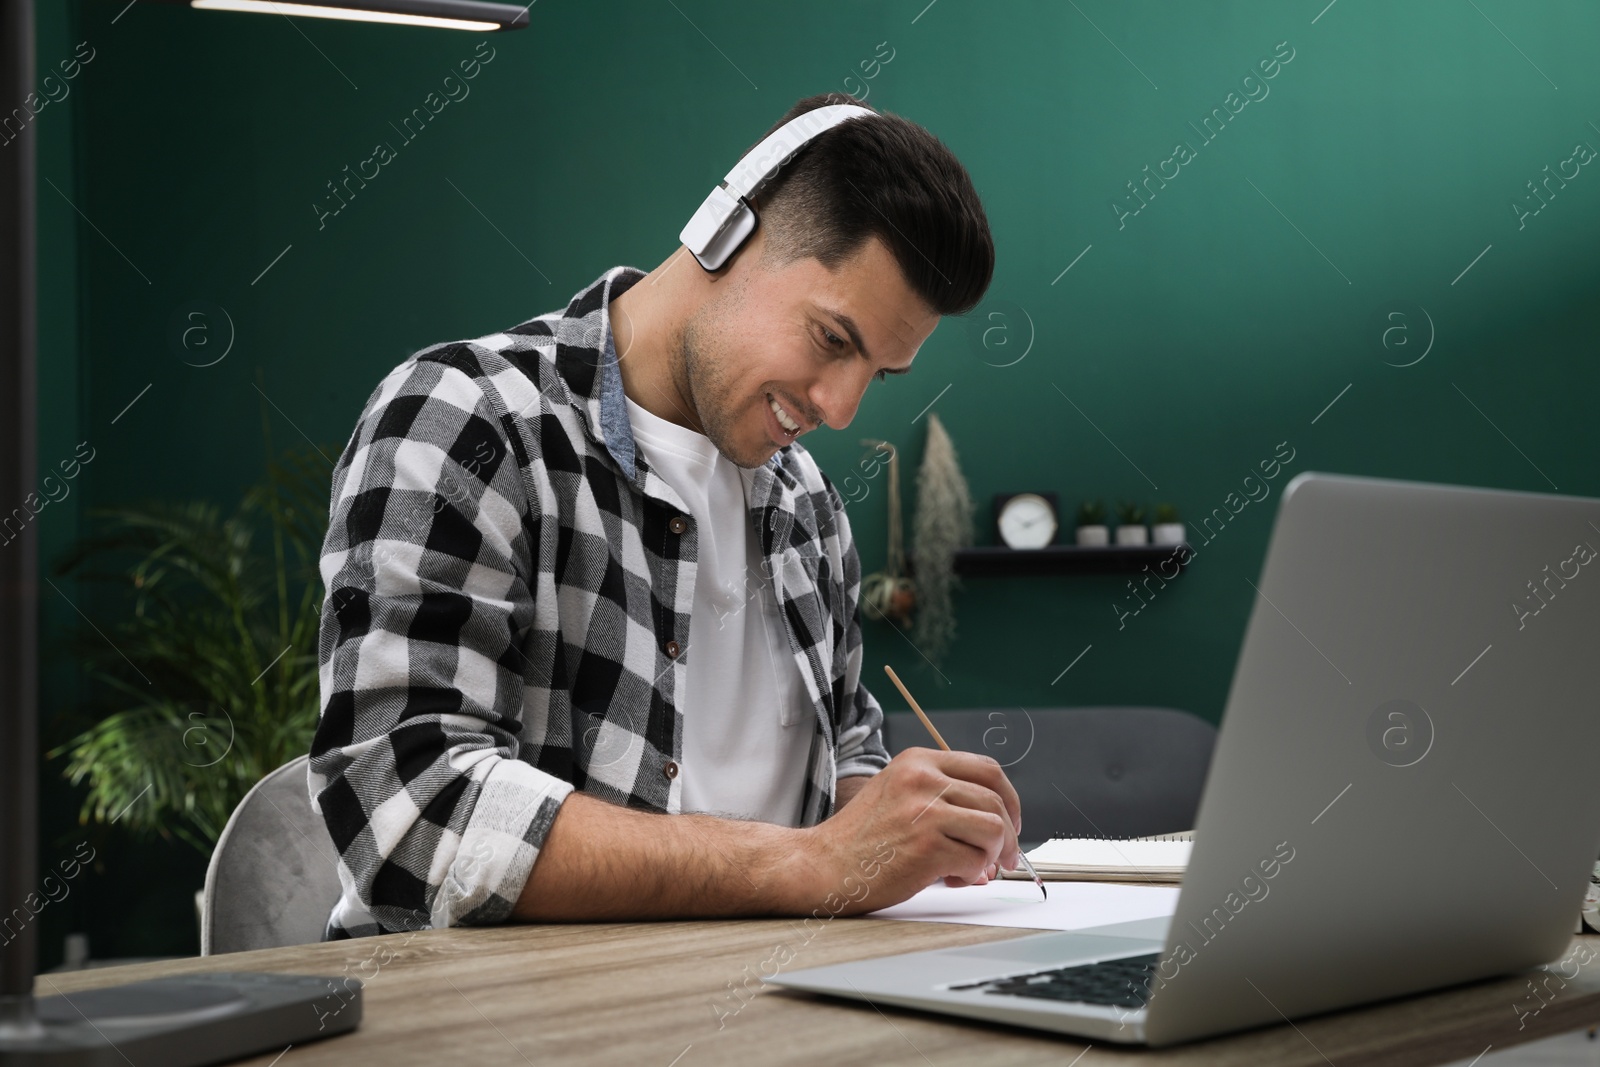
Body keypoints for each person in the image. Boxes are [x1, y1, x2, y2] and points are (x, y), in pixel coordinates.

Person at [309, 92, 1018, 939]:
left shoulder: (809, 505)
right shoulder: (466, 420)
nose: (840, 408)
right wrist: (815, 863)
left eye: (878, 373)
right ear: (725, 233)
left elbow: (847, 755)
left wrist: (899, 819)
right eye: (833, 339)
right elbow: (410, 810)